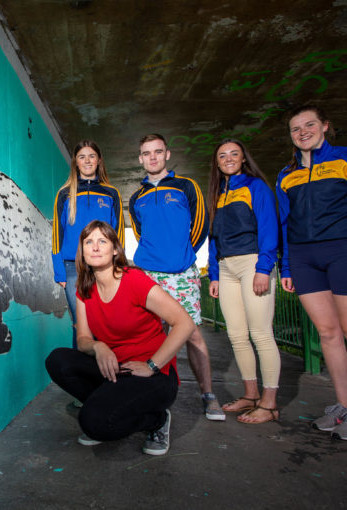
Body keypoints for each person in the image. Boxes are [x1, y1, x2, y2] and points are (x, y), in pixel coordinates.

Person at [277, 104, 347, 441]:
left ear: (325, 126)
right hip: (305, 257)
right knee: (327, 333)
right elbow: (285, 223)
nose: (302, 132)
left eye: (309, 125)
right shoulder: (286, 174)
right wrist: (288, 264)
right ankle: (341, 406)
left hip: (346, 251)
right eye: (296, 129)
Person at [45, 220, 195, 455]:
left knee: (93, 422)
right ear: (82, 251)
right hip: (117, 368)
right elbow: (83, 338)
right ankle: (109, 404)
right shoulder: (84, 289)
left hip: (153, 374)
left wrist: (152, 365)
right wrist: (99, 346)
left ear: (115, 249)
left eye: (102, 241)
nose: (95, 247)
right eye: (88, 242)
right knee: (58, 360)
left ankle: (156, 420)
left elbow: (184, 323)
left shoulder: (133, 279)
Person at [129, 133, 225, 421]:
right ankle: (147, 393)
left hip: (181, 272)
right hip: (147, 273)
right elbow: (138, 233)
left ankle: (208, 395)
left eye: (158, 151)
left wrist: (180, 255)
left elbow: (200, 226)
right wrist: (154, 258)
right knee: (147, 334)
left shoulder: (187, 186)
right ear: (140, 158)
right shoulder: (137, 197)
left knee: (192, 334)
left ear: (167, 154)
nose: (153, 157)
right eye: (147, 153)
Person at [206, 139, 281, 424]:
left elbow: (268, 228)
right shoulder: (217, 193)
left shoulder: (255, 187)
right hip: (226, 269)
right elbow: (213, 238)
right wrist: (214, 274)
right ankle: (251, 395)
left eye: (233, 154)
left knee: (260, 333)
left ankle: (270, 403)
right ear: (217, 162)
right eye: (222, 155)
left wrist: (264, 268)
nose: (228, 158)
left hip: (252, 263)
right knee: (236, 335)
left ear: (243, 158)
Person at [52, 140, 124, 349]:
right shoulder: (65, 194)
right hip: (72, 267)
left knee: (105, 323)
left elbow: (118, 235)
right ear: (75, 162)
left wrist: (119, 265)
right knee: (80, 325)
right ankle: (82, 379)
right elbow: (57, 234)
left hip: (105, 266)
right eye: (82, 156)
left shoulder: (112, 193)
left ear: (99, 160)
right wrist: (59, 273)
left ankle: (106, 375)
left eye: (91, 156)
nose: (87, 160)